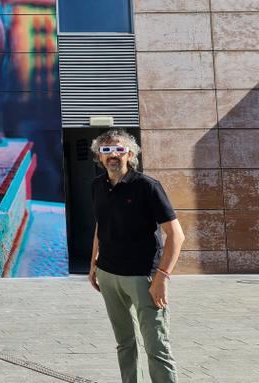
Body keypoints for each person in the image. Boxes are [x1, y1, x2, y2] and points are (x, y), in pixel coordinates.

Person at [88, 128, 184, 383]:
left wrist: (162, 277)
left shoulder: (148, 187)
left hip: (144, 278)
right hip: (108, 275)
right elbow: (101, 224)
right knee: (124, 343)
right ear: (99, 156)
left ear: (130, 154)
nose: (113, 155)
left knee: (156, 347)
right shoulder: (97, 186)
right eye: (106, 150)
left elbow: (176, 235)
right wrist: (93, 264)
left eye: (119, 150)